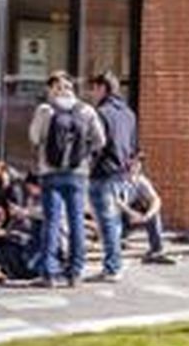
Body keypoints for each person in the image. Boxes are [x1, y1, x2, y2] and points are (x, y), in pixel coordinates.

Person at [28, 71, 104, 286]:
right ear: (71, 87)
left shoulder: (45, 110)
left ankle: (50, 273)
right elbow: (100, 140)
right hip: (78, 174)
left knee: (52, 222)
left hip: (50, 172)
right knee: (76, 221)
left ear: (52, 89)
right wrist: (84, 154)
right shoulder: (86, 110)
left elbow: (34, 137)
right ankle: (75, 273)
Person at [87, 72, 138, 282]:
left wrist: (87, 166)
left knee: (107, 221)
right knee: (114, 221)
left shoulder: (101, 113)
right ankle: (114, 264)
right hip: (122, 173)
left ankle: (112, 267)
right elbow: (134, 146)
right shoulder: (128, 113)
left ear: (103, 89)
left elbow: (97, 145)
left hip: (103, 173)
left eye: (94, 88)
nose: (92, 93)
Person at [116, 153, 176, 265]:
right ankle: (117, 243)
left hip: (132, 217)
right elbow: (115, 201)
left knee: (153, 213)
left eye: (139, 162)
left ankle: (156, 251)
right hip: (119, 216)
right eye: (134, 162)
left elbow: (156, 199)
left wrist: (147, 215)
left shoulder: (141, 180)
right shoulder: (117, 179)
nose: (137, 165)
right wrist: (132, 213)